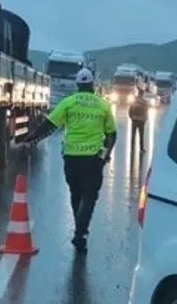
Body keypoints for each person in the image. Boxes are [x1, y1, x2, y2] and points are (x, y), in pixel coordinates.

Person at [19, 67, 116, 252]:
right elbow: (112, 135)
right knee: (90, 196)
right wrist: (104, 156)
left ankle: (80, 229)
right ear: (93, 85)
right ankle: (81, 232)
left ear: (78, 85)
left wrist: (30, 138)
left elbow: (49, 125)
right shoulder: (103, 105)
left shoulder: (69, 102)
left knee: (76, 193)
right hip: (92, 159)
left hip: (71, 158)